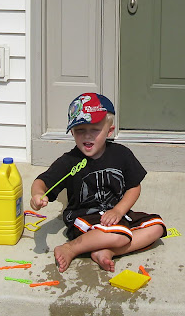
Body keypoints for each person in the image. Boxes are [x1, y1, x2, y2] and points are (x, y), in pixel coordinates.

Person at [30, 92, 167, 272]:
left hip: (116, 216)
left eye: (95, 129)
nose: (87, 136)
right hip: (84, 219)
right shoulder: (69, 161)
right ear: (72, 132)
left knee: (157, 227)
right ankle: (71, 248)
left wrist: (119, 210)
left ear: (109, 131)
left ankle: (107, 251)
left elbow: (134, 187)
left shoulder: (122, 154)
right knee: (120, 236)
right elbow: (42, 182)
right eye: (80, 130)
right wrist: (37, 195)